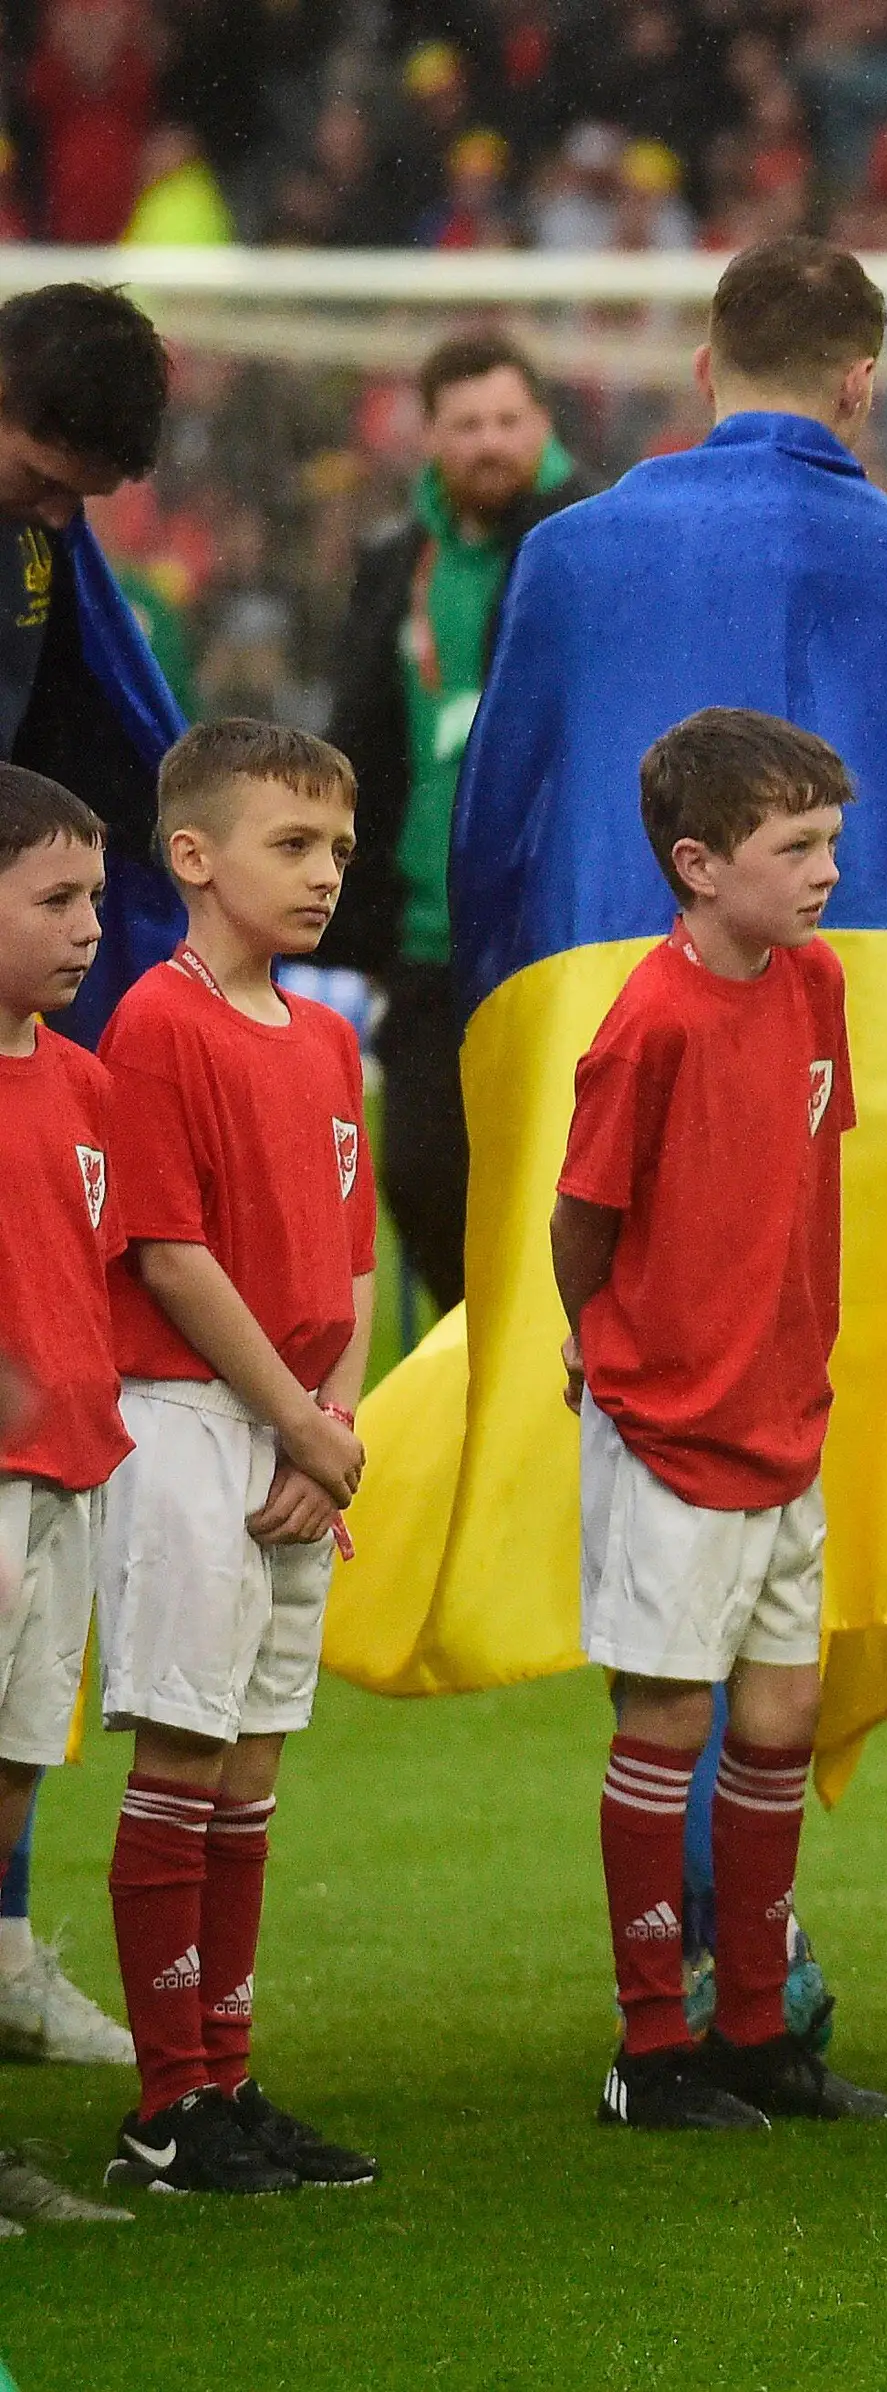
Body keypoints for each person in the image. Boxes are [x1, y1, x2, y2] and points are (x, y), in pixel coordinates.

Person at [336, 240, 887, 2048]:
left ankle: (719, 1974)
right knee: (782, 1549)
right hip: (862, 1106)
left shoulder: (571, 558)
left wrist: (490, 1036)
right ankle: (732, 1972)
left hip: (607, 1055)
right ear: (864, 381)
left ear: (706, 367)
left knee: (702, 1574)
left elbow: (492, 831)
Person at [555, 709, 887, 2132]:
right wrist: (604, 1350)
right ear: (697, 865)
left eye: (832, 839)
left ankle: (758, 2032)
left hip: (786, 1417)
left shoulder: (814, 985)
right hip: (673, 1427)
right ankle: (652, 2053)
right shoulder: (647, 1020)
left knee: (781, 1716)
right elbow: (584, 1219)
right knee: (668, 1719)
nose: (828, 870)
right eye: (795, 846)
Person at [94, 721, 381, 2197]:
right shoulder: (157, 1020)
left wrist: (335, 1424)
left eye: (336, 846)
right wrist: (295, 1420)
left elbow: (351, 1253)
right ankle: (165, 2106)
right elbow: (168, 1249)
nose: (326, 872)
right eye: (292, 844)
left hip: (294, 1431)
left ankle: (227, 2071)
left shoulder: (329, 1037)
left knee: (254, 1761)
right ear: (195, 857)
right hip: (194, 1421)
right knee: (186, 1748)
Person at [319, 330, 587, 1316]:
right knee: (425, 1180)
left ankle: (546, 1394)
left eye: (509, 421)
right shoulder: (396, 563)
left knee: (560, 1188)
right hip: (431, 937)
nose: (490, 443)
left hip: (557, 933)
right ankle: (472, 1386)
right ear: (430, 435)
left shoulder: (591, 540)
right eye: (467, 423)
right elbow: (362, 736)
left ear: (544, 427)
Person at [0, 767, 149, 2227]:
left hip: (65, 1489)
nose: (91, 927)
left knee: (8, 1785)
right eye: (54, 899)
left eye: (96, 899)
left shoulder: (89, 1082)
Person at [0, 282, 182, 1056]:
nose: (58, 518)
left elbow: (75, 713)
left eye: (80, 499)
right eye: (44, 480)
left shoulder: (36, 528)